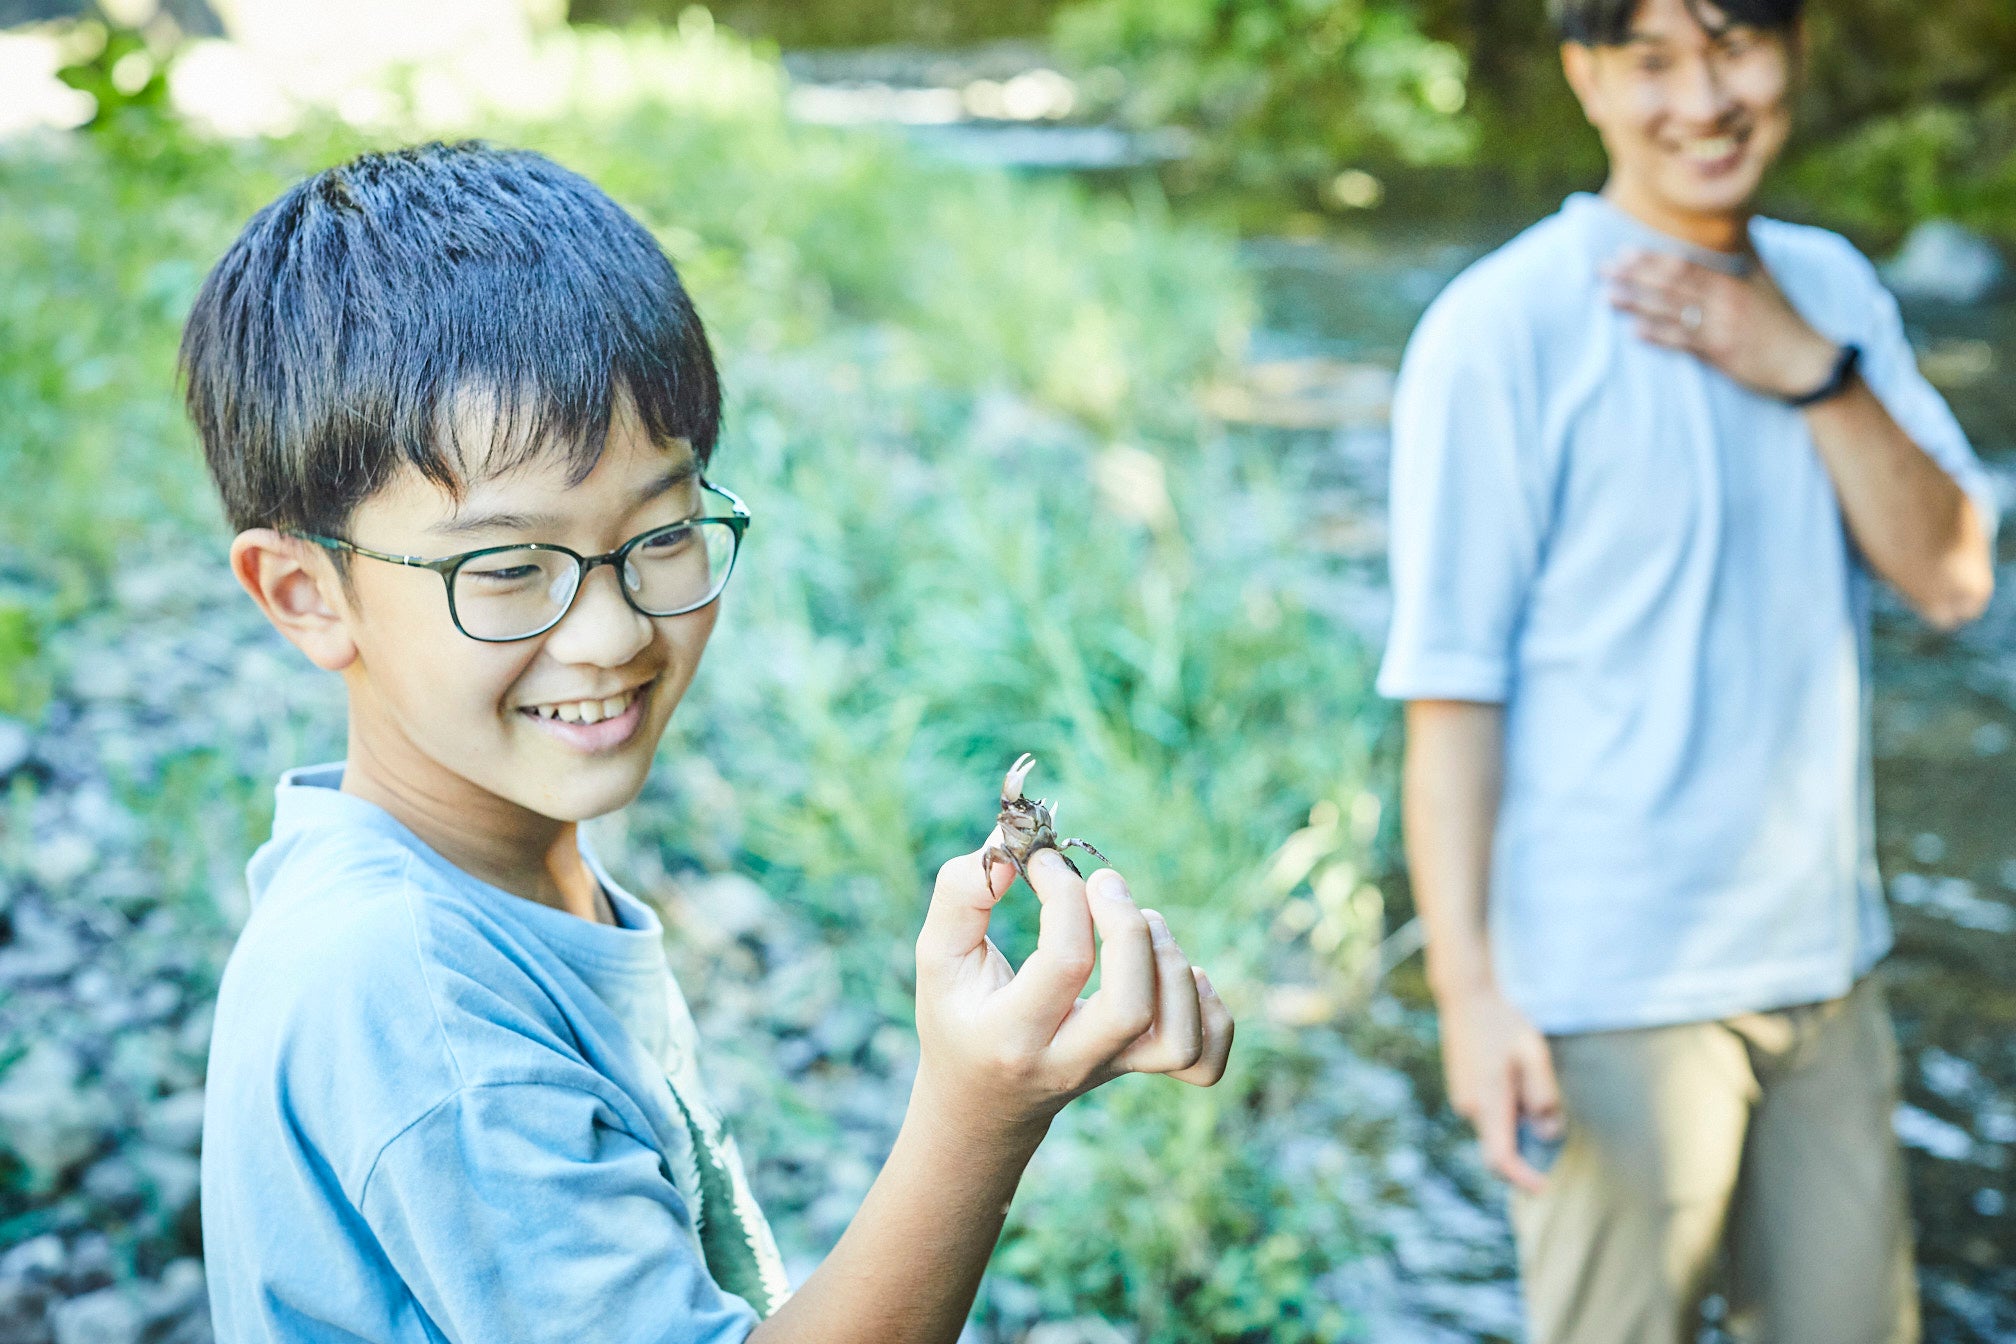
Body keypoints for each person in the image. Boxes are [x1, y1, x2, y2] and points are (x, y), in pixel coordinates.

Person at [186, 142, 1234, 1344]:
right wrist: (977, 1115)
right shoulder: (414, 1002)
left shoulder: (488, 875)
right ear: (305, 593)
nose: (613, 632)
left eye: (664, 532)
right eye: (510, 567)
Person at [1377, 0, 1997, 1340]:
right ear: (1586, 77)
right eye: (1651, 61)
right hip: (1608, 992)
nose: (1703, 102)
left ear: (1793, 52)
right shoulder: (1499, 330)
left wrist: (1812, 372)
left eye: (1733, 47)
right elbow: (1452, 697)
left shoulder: (1833, 289)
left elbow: (1954, 580)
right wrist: (1472, 999)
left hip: (1827, 969)